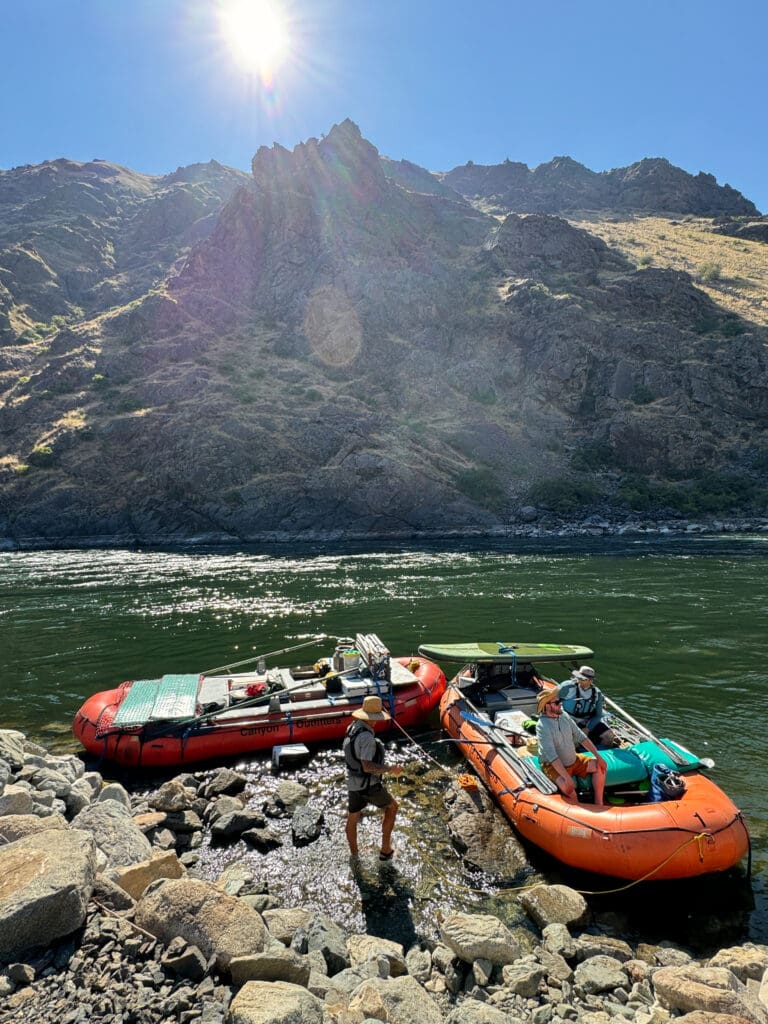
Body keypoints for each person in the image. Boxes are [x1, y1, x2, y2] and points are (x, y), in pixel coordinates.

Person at [343, 695, 403, 860]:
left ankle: (354, 856)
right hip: (368, 784)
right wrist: (391, 769)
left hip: (353, 783)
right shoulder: (367, 738)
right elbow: (367, 766)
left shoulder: (352, 727)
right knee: (392, 807)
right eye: (376, 718)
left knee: (353, 815)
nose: (378, 721)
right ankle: (385, 850)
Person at [535, 688, 607, 806]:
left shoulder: (564, 715)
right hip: (552, 766)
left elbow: (580, 736)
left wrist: (598, 757)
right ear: (547, 706)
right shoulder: (542, 726)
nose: (561, 704)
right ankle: (579, 811)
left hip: (573, 760)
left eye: (560, 701)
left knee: (600, 767)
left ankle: (599, 803)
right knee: (568, 789)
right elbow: (552, 756)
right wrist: (567, 778)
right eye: (557, 702)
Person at [557, 665, 618, 748]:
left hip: (586, 721)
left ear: (590, 681)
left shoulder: (597, 693)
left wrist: (588, 728)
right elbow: (553, 701)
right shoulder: (567, 687)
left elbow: (598, 715)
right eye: (579, 677)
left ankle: (602, 755)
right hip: (568, 718)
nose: (579, 680)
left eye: (583, 679)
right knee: (574, 739)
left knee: (609, 736)